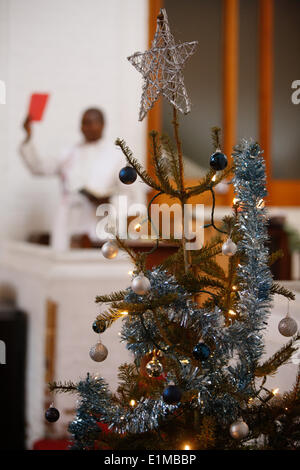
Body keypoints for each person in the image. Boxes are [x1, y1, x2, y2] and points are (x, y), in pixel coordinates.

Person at [20, 108, 138, 250]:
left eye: (89, 123)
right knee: (63, 263)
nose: (85, 128)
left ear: (102, 125)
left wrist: (109, 201)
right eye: (83, 123)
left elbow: (129, 194)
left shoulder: (116, 156)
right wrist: (28, 138)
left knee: (92, 265)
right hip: (68, 220)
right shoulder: (69, 153)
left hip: (99, 219)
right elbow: (38, 167)